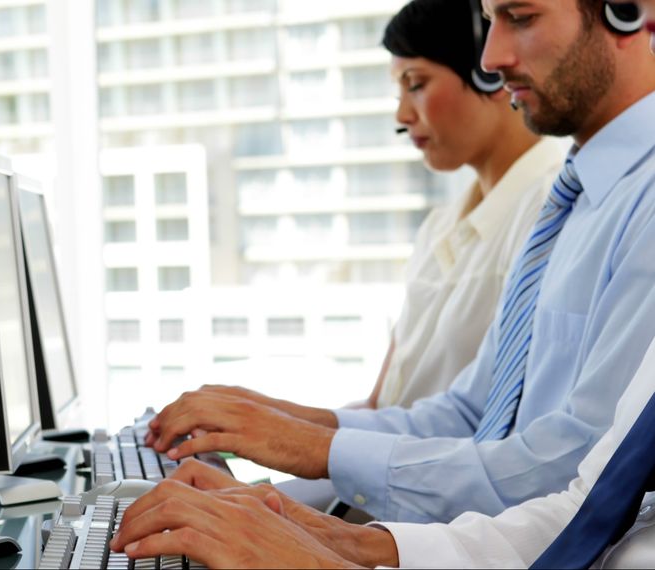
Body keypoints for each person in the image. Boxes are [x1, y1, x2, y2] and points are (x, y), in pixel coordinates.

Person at [109, 0, 655, 566]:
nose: (491, 58)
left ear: (624, 10)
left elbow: (575, 482)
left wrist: (318, 460)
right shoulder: (575, 199)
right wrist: (315, 506)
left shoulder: (639, 201)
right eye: (490, 22)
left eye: (520, 17)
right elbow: (472, 414)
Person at [356, 0, 562, 412]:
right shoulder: (439, 227)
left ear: (488, 77)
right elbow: (382, 404)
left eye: (415, 84)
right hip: (391, 462)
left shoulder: (550, 208)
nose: (402, 115)